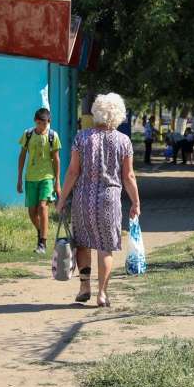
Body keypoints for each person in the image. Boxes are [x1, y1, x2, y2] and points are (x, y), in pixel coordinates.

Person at [56, 93, 141, 307]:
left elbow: (73, 172)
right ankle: (102, 294)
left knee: (83, 244)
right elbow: (129, 176)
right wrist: (136, 202)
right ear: (118, 115)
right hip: (109, 201)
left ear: (96, 112)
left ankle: (84, 287)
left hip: (83, 199)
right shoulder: (124, 141)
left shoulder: (81, 138)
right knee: (105, 247)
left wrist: (62, 199)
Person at [17, 107, 62, 254]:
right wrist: (19, 178)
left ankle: (42, 242)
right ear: (35, 122)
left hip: (47, 178)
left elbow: (56, 159)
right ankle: (41, 231)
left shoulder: (53, 136)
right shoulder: (28, 134)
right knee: (32, 212)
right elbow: (22, 156)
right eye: (39, 123)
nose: (42, 126)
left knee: (43, 207)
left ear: (49, 122)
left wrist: (57, 182)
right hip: (30, 177)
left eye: (44, 123)